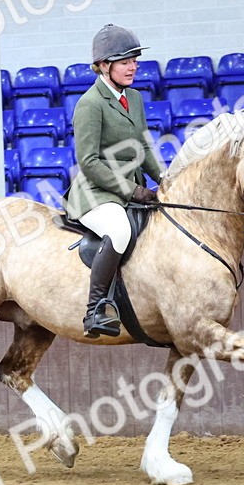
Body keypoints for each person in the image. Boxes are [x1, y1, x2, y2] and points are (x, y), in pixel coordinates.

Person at [63, 24, 165, 338]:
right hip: (96, 193)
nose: (132, 66)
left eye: (134, 60)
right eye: (124, 61)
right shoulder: (89, 105)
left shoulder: (133, 98)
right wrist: (132, 189)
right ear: (104, 66)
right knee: (119, 230)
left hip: (129, 190)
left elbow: (143, 146)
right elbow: (89, 163)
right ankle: (95, 309)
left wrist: (165, 178)